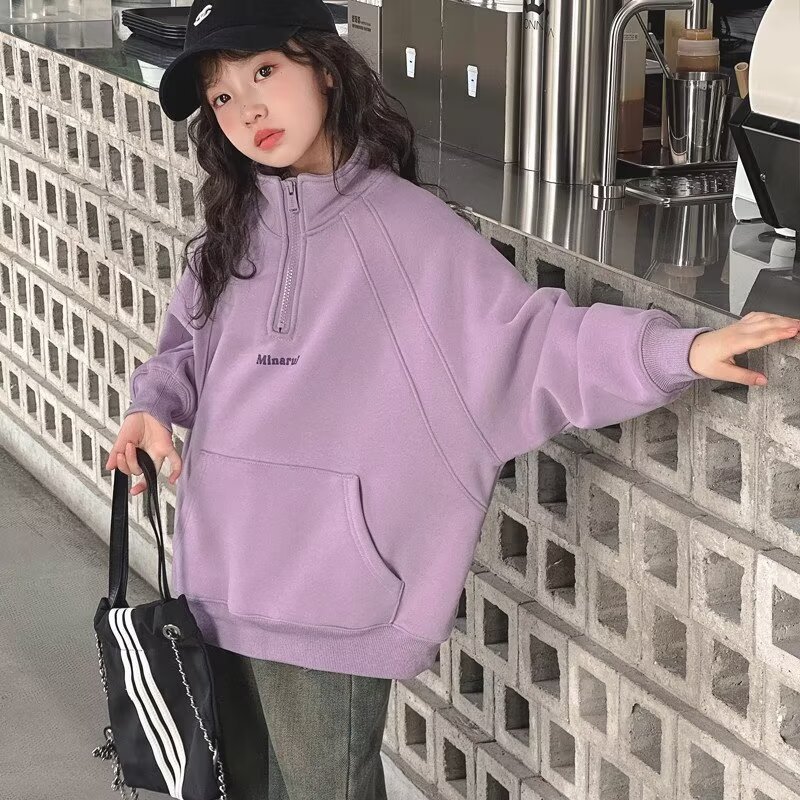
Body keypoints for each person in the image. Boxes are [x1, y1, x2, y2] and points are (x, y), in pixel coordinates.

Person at [104, 0, 800, 797]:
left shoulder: (412, 232)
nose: (248, 110)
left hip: (330, 601)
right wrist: (152, 407)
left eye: (265, 71)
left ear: (324, 68)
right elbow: (186, 351)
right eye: (223, 95)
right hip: (218, 578)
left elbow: (533, 345)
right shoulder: (231, 231)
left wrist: (680, 350)